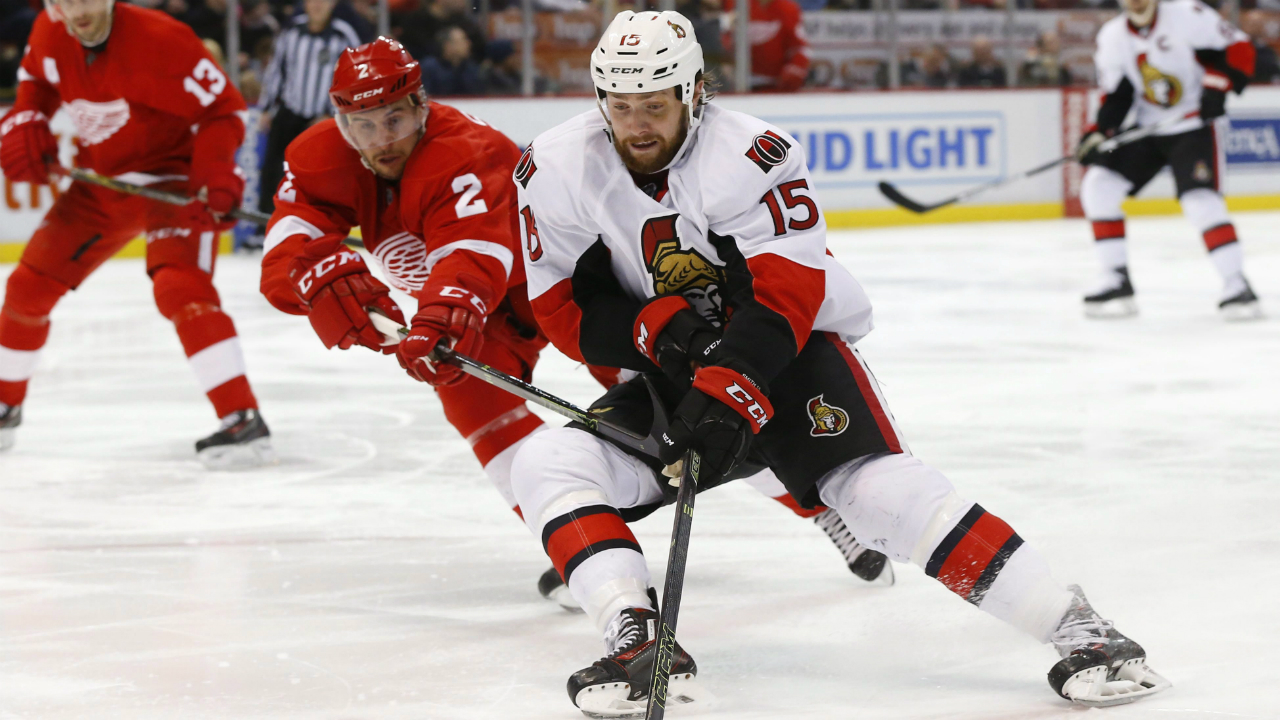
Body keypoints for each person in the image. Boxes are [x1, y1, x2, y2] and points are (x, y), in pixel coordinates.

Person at [512, 10, 1170, 715]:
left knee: (876, 493)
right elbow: (564, 306)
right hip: (673, 368)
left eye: (654, 103)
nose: (636, 124)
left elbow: (787, 294)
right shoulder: (554, 167)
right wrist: (668, 337)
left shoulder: (752, 153)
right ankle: (638, 642)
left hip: (787, 354)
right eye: (620, 105)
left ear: (694, 91)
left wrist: (728, 389)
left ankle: (1087, 633)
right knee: (548, 465)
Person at [257, 36, 891, 612]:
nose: (380, 138)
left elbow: (475, 253)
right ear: (340, 121)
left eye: (394, 117)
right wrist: (312, 279)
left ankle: (818, 506)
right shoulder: (317, 156)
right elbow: (288, 244)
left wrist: (442, 314)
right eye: (362, 124)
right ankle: (583, 549)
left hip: (557, 295)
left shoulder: (464, 151)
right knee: (495, 434)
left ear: (422, 106)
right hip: (466, 317)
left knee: (685, 410)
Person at [0, 0, 271, 466]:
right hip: (100, 183)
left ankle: (242, 420)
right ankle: (5, 408)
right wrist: (28, 115)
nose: (75, 10)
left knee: (179, 287)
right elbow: (36, 78)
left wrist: (214, 174)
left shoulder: (162, 40)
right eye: (61, 0)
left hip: (173, 181)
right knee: (27, 288)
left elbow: (224, 109)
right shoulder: (50, 30)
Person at [1076, 0, 1260, 319]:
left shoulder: (1189, 15)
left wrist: (1216, 88)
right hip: (1150, 126)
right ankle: (1116, 278)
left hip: (1193, 125)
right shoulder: (1113, 37)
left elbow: (1240, 49)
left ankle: (1237, 284)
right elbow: (1117, 95)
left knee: (1199, 200)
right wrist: (1099, 132)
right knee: (1099, 185)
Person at [257, 0, 361, 221]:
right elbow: (276, 71)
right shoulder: (291, 31)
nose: (317, 5)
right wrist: (266, 108)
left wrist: (333, 114)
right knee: (273, 170)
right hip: (290, 111)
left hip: (324, 117)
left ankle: (319, 223)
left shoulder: (343, 35)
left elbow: (353, 77)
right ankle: (265, 223)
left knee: (321, 175)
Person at [721, 0, 810, 91]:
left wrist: (796, 68)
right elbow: (720, 35)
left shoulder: (788, 9)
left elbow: (799, 47)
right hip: (736, 83)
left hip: (775, 84)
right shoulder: (735, 4)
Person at [420, 26, 484, 96]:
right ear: (448, 45)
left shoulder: (472, 69)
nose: (469, 44)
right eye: (463, 40)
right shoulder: (429, 68)